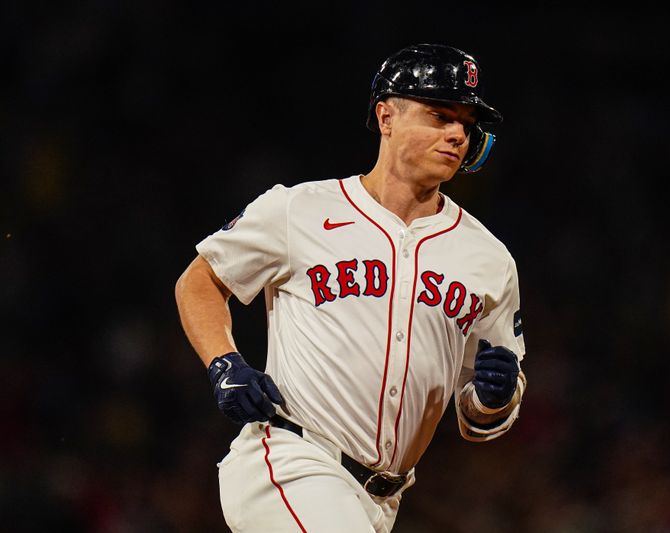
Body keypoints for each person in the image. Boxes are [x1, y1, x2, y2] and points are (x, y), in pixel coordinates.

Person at [175, 43, 526, 533]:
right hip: (292, 459)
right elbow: (200, 281)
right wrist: (224, 363)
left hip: (382, 500)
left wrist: (496, 398)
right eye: (439, 115)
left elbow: (481, 411)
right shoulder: (300, 210)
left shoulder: (488, 259)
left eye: (465, 123)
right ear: (386, 117)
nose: (456, 134)